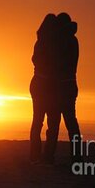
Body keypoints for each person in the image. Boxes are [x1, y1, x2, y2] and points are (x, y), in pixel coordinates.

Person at [44, 12, 82, 163]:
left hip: (58, 87)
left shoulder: (60, 42)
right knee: (71, 123)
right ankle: (76, 157)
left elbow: (55, 64)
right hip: (70, 85)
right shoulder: (73, 41)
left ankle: (48, 156)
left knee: (54, 123)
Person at [29, 13, 60, 163]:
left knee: (38, 121)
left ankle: (36, 155)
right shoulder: (53, 45)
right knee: (52, 122)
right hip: (47, 86)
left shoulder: (39, 42)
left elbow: (35, 60)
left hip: (37, 83)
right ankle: (47, 156)